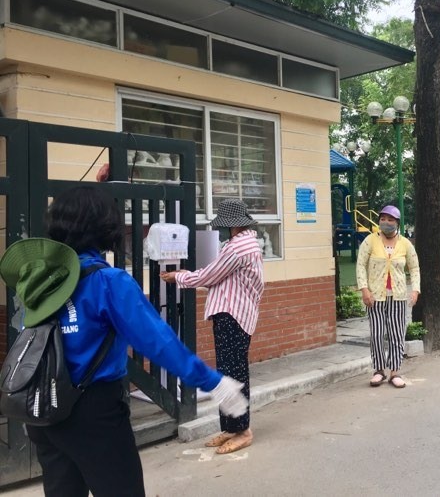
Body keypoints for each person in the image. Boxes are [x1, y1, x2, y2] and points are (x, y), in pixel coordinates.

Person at [1, 186, 247, 497]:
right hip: (92, 411)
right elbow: (157, 341)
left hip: (41, 409)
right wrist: (213, 382)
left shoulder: (40, 279)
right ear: (105, 227)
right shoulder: (108, 282)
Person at [161, 198, 264, 454]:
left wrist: (180, 276)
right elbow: (219, 276)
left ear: (231, 224)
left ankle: (242, 430)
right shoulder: (245, 243)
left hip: (233, 315)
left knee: (233, 374)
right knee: (228, 372)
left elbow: (209, 276)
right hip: (234, 314)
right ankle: (231, 427)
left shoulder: (238, 248)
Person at [356, 205, 420, 388]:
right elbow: (361, 265)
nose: (386, 223)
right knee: (376, 334)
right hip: (375, 296)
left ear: (397, 223)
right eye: (383, 219)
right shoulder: (370, 241)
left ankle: (395, 372)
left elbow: (414, 268)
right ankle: (378, 371)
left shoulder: (405, 244)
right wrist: (364, 289)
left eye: (390, 220)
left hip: (398, 297)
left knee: (396, 334)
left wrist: (415, 290)